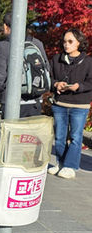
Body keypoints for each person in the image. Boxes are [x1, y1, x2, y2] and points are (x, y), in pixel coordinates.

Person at [48, 28, 92, 180]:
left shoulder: (88, 62)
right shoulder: (56, 59)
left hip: (80, 105)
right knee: (60, 137)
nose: (66, 45)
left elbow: (90, 82)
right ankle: (60, 163)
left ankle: (70, 166)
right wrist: (56, 84)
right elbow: (48, 78)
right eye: (64, 41)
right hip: (60, 104)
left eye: (70, 41)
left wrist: (79, 86)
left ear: (79, 43)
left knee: (75, 136)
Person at [0, 12, 51, 118]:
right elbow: (46, 68)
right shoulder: (37, 43)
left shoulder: (4, 46)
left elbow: (0, 77)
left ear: (6, 26)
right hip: (35, 99)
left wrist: (1, 90)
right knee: (29, 134)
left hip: (11, 100)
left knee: (12, 134)